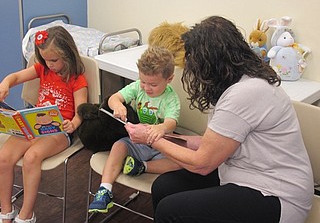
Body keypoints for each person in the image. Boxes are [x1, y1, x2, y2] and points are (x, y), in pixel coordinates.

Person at [129, 16, 314, 223]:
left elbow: (202, 164)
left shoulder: (247, 92)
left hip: (277, 193)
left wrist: (151, 138)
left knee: (170, 210)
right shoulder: (231, 83)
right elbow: (214, 142)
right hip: (241, 172)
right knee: (164, 187)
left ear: (211, 61)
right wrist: (167, 135)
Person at [0, 26, 88, 223]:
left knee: (32, 157)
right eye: (45, 60)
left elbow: (81, 111)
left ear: (68, 55)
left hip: (60, 131)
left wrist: (73, 124)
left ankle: (26, 214)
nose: (50, 64)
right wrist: (5, 84)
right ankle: (6, 211)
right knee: (4, 157)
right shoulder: (43, 68)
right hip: (35, 125)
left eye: (54, 60)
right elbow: (15, 77)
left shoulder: (77, 79)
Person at [88, 46, 181, 214]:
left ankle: (142, 166)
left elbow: (171, 122)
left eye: (153, 84)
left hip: (161, 144)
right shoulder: (138, 87)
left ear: (169, 79)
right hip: (138, 141)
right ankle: (105, 190)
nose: (146, 88)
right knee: (118, 146)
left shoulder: (170, 97)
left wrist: (161, 127)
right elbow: (115, 98)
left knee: (180, 162)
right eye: (143, 81)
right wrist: (118, 106)